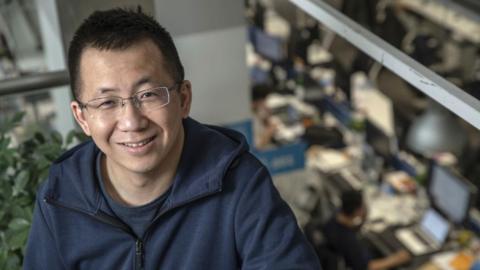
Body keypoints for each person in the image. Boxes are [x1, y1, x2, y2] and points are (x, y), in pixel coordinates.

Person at [23, 7, 321, 270]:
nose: (131, 122)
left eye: (149, 94)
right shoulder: (59, 198)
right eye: (106, 102)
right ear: (82, 117)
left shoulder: (240, 184)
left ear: (183, 98)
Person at [323, 190, 411, 270]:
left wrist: (362, 218)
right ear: (358, 210)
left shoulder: (333, 219)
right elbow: (368, 267)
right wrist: (396, 259)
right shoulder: (349, 241)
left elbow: (349, 226)